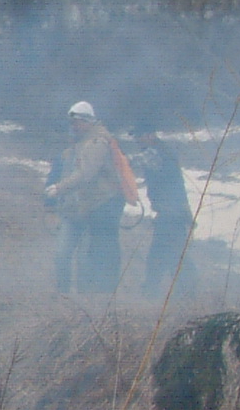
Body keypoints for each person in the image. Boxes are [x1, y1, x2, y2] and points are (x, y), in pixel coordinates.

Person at [45, 103, 135, 295]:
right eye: (72, 123)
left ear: (87, 121)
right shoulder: (76, 147)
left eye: (76, 122)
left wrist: (59, 188)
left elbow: (86, 174)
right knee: (63, 254)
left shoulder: (97, 143)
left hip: (98, 207)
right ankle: (65, 294)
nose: (73, 127)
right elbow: (59, 173)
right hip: (75, 210)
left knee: (91, 255)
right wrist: (52, 203)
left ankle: (91, 296)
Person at [131, 136, 193, 298]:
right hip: (173, 212)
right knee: (171, 253)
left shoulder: (154, 153)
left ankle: (156, 291)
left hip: (170, 213)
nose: (137, 141)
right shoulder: (165, 151)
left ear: (149, 135)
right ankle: (181, 291)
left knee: (164, 254)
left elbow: (131, 164)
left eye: (139, 136)